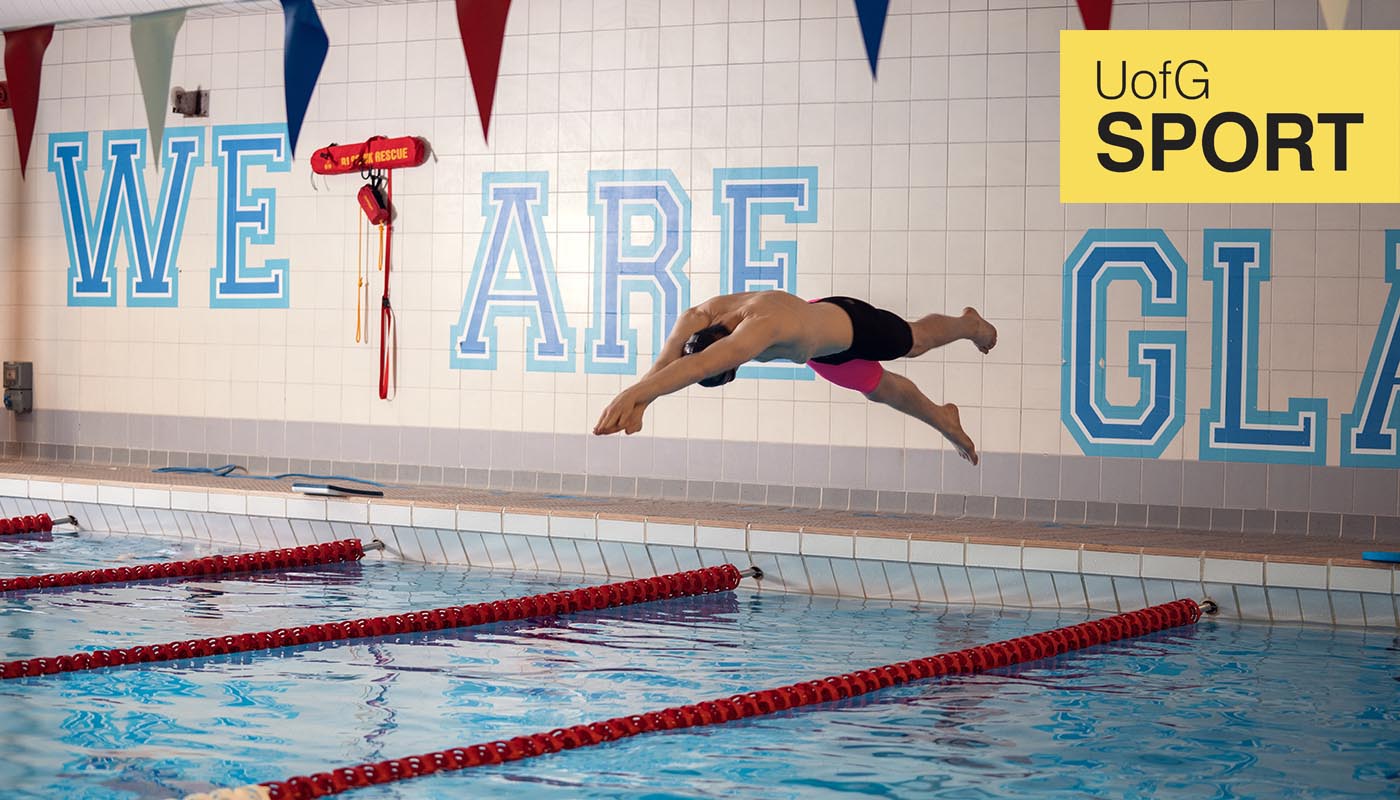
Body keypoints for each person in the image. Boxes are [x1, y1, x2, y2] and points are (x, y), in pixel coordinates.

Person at [591, 291, 997, 464]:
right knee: (880, 389)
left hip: (850, 324)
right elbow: (668, 361)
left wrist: (634, 396)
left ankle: (969, 324)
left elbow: (698, 365)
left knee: (917, 341)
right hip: (821, 351)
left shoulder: (757, 329)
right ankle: (944, 419)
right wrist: (637, 401)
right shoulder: (697, 318)